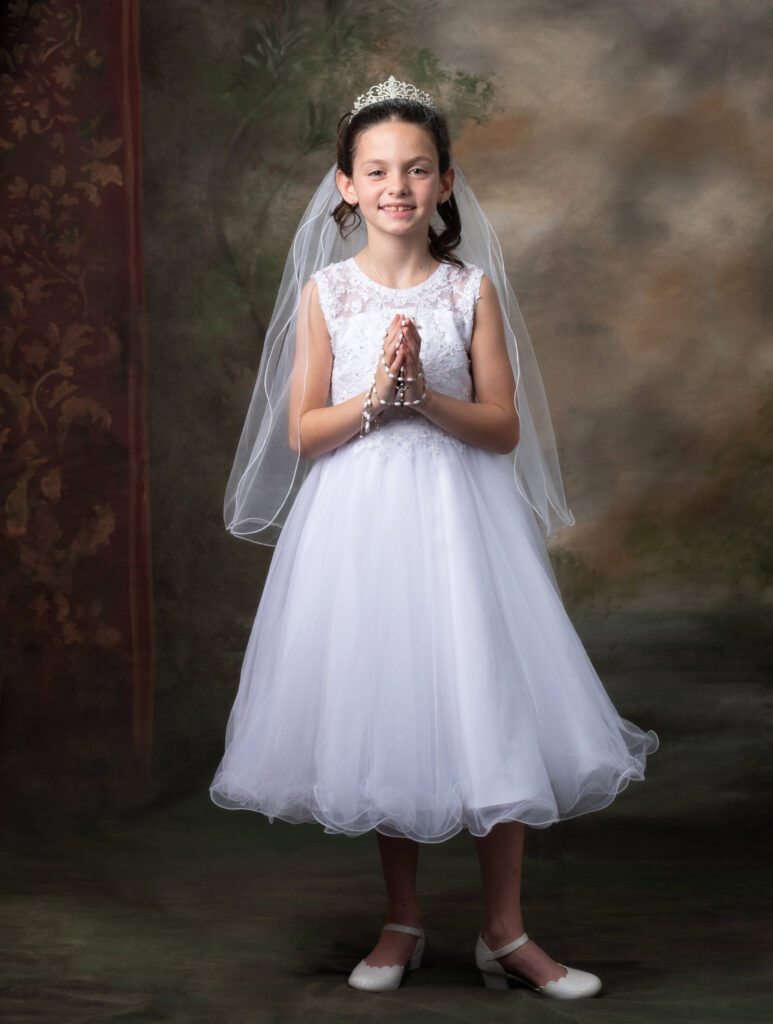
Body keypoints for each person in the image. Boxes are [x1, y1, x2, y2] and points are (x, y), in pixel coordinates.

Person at [210, 75, 659, 999]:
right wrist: (377, 400)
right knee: (390, 705)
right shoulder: (326, 295)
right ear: (345, 185)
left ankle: (505, 931)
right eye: (376, 170)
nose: (397, 186)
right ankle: (401, 921)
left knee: (490, 701)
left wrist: (426, 397)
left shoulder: (469, 290)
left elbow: (501, 427)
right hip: (358, 525)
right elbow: (301, 431)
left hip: (461, 523)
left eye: (417, 169)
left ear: (446, 183)